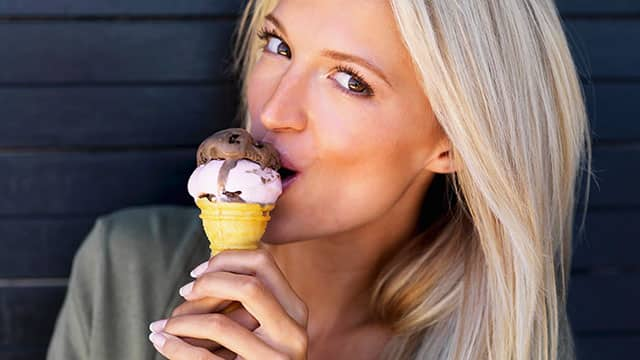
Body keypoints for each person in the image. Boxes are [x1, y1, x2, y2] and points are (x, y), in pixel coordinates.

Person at [47, 0, 592, 359]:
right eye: (279, 47)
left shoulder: (513, 342)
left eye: (350, 81)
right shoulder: (126, 265)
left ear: (453, 139)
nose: (275, 109)